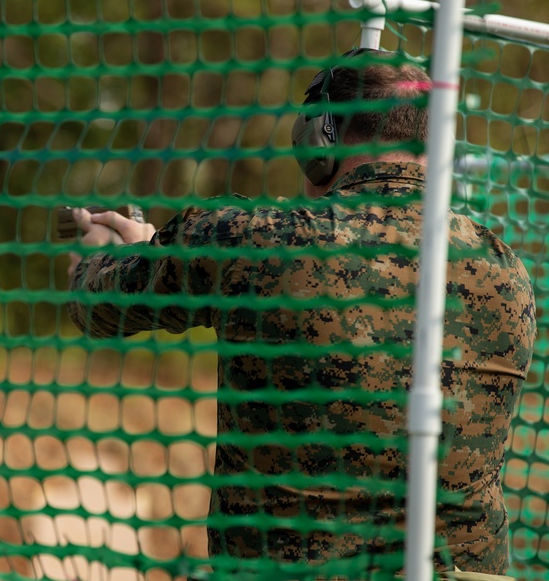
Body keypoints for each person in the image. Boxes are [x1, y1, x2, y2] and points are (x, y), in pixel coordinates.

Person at [66, 49, 535, 577]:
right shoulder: (504, 269)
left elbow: (99, 303)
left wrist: (105, 249)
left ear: (320, 142)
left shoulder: (251, 241)